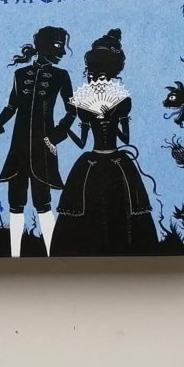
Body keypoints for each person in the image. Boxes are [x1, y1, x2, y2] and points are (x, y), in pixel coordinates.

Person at [51, 29, 158, 256]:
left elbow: (112, 140)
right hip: (104, 161)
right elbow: (95, 141)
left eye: (102, 73)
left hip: (106, 161)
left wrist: (107, 120)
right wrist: (67, 130)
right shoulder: (98, 103)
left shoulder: (114, 101)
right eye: (96, 73)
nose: (98, 77)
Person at [0, 27, 75, 257]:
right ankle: (15, 257)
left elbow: (72, 111)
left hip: (44, 148)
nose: (62, 52)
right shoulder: (20, 74)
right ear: (44, 45)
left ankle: (53, 257)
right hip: (18, 150)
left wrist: (55, 137)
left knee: (43, 204)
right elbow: (11, 108)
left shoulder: (61, 76)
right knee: (15, 205)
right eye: (58, 45)